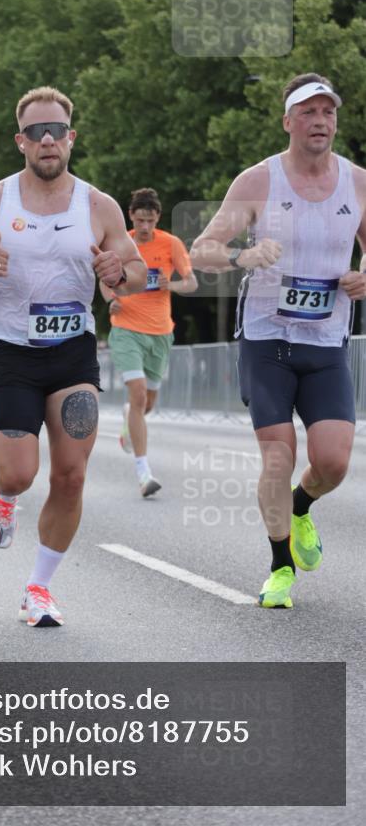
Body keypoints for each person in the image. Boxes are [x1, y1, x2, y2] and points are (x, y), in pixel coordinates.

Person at [0, 85, 147, 627]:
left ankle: (38, 589)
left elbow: (138, 272)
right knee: (19, 474)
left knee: (72, 475)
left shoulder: (98, 206)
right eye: (36, 132)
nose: (47, 140)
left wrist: (118, 274)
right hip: (11, 351)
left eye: (57, 131)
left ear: (71, 139)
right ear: (21, 142)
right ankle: (3, 498)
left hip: (73, 350)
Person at [190, 73, 366, 609]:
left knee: (333, 462)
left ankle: (300, 507)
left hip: (327, 339)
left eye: (327, 113)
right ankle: (280, 567)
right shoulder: (258, 182)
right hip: (267, 339)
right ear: (288, 121)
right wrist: (243, 256)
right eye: (308, 113)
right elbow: (202, 249)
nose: (320, 122)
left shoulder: (357, 182)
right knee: (276, 455)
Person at [100, 187, 197, 496]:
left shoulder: (171, 244)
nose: (144, 227)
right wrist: (110, 300)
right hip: (126, 328)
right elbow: (104, 281)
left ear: (158, 217)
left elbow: (192, 283)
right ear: (131, 216)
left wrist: (175, 284)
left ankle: (131, 421)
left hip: (160, 332)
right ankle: (144, 472)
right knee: (139, 394)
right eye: (140, 220)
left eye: (150, 220)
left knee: (146, 403)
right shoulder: (121, 242)